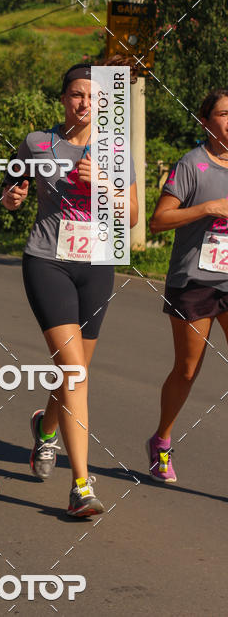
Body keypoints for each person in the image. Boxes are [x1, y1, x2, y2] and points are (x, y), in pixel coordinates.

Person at [2, 63, 138, 517]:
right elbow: (12, 185)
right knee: (76, 372)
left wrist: (103, 185)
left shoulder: (115, 150)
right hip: (47, 261)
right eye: (76, 95)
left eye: (93, 97)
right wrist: (12, 197)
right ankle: (81, 485)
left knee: (71, 372)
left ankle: (45, 428)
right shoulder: (38, 143)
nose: (84, 103)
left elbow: (133, 215)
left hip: (97, 266)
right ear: (63, 99)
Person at [147, 88, 228, 483]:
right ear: (206, 122)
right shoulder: (192, 165)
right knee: (188, 368)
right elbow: (159, 220)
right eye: (226, 114)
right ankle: (161, 440)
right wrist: (209, 208)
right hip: (194, 278)